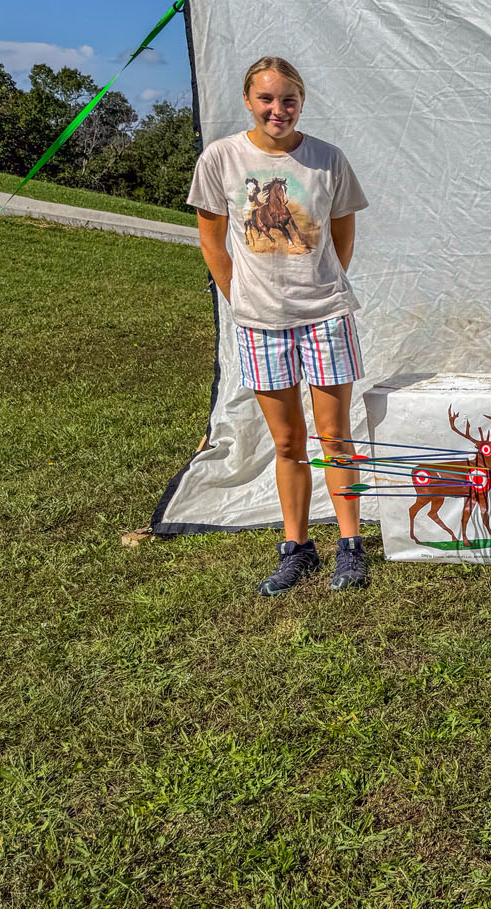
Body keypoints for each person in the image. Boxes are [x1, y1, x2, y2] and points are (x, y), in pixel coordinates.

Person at [188, 57, 371, 596]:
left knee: (335, 436)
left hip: (325, 316)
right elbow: (211, 241)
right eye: (266, 98)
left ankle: (350, 546)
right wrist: (243, 299)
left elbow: (342, 234)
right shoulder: (221, 158)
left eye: (288, 99)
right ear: (248, 100)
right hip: (261, 324)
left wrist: (319, 284)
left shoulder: (327, 160)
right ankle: (297, 548)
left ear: (301, 102)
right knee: (287, 441)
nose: (277, 109)